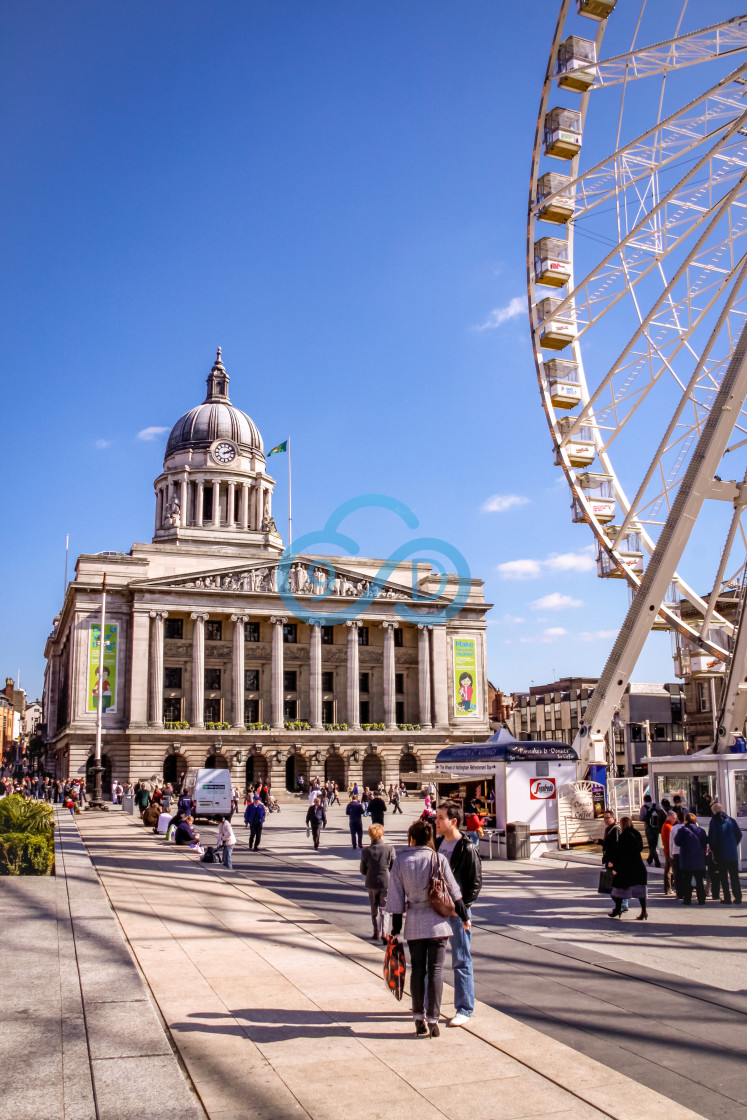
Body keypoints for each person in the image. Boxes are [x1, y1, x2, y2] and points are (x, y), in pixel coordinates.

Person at [385, 818, 469, 1037]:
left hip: (414, 922)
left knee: (417, 970)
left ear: (411, 838)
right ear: (429, 838)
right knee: (436, 971)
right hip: (438, 924)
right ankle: (434, 1020)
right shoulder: (438, 858)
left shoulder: (401, 861)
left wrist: (395, 926)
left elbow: (395, 897)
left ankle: (418, 1017)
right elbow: (455, 892)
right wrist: (464, 916)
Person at [435, 801, 483, 1027]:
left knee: (461, 960)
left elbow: (475, 883)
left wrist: (462, 908)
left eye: (440, 818)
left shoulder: (467, 847)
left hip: (456, 913)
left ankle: (464, 1008)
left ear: (453, 821)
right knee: (433, 961)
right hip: (436, 910)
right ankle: (431, 1004)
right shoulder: (437, 843)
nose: (436, 822)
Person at [360, 824, 395, 940]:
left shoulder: (366, 851)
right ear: (381, 834)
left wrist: (369, 874)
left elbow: (362, 870)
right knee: (385, 908)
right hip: (386, 881)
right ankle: (385, 932)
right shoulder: (390, 849)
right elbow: (393, 867)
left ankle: (376, 931)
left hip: (371, 882)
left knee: (373, 907)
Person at [608, 816, 647, 920]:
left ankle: (617, 909)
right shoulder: (637, 833)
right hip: (638, 866)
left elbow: (620, 853)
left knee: (618, 889)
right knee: (640, 890)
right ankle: (644, 911)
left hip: (626, 867)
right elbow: (640, 848)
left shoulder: (624, 835)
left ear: (622, 824)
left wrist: (614, 866)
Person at [708, 802, 743, 904]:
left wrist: (713, 849)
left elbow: (712, 838)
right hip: (732, 853)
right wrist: (733, 844)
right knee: (734, 877)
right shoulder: (731, 820)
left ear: (714, 811)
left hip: (721, 854)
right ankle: (738, 897)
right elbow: (739, 834)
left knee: (723, 877)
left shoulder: (714, 821)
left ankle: (727, 897)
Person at [598, 810, 629, 912]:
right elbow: (608, 845)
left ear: (613, 818)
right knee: (613, 884)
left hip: (614, 861)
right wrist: (599, 842)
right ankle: (622, 903)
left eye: (608, 818)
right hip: (609, 859)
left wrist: (613, 861)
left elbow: (616, 847)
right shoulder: (608, 829)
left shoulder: (616, 829)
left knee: (615, 883)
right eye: (604, 818)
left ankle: (623, 904)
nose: (606, 820)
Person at [674, 812, 708, 905]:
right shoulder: (701, 831)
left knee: (687, 880)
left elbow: (677, 842)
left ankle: (687, 899)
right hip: (699, 858)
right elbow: (705, 842)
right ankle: (702, 899)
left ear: (686, 820)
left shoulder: (682, 830)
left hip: (686, 858)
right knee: (699, 880)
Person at [639, 794, 663, 868]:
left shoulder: (643, 808)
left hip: (648, 828)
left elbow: (641, 818)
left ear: (644, 800)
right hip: (656, 828)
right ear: (651, 799)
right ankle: (649, 859)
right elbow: (661, 814)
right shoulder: (656, 806)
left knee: (651, 846)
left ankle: (657, 861)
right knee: (654, 845)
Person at [669, 808, 687, 898]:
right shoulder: (688, 827)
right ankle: (687, 891)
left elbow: (671, 842)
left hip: (676, 852)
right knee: (686, 873)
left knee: (678, 873)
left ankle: (679, 893)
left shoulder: (674, 828)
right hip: (686, 852)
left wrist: (671, 853)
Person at [660, 810, 677, 896]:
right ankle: (674, 888)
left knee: (667, 869)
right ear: (669, 817)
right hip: (670, 851)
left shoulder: (665, 825)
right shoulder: (668, 827)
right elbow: (671, 841)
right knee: (673, 869)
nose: (675, 820)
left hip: (666, 850)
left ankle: (667, 888)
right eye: (674, 818)